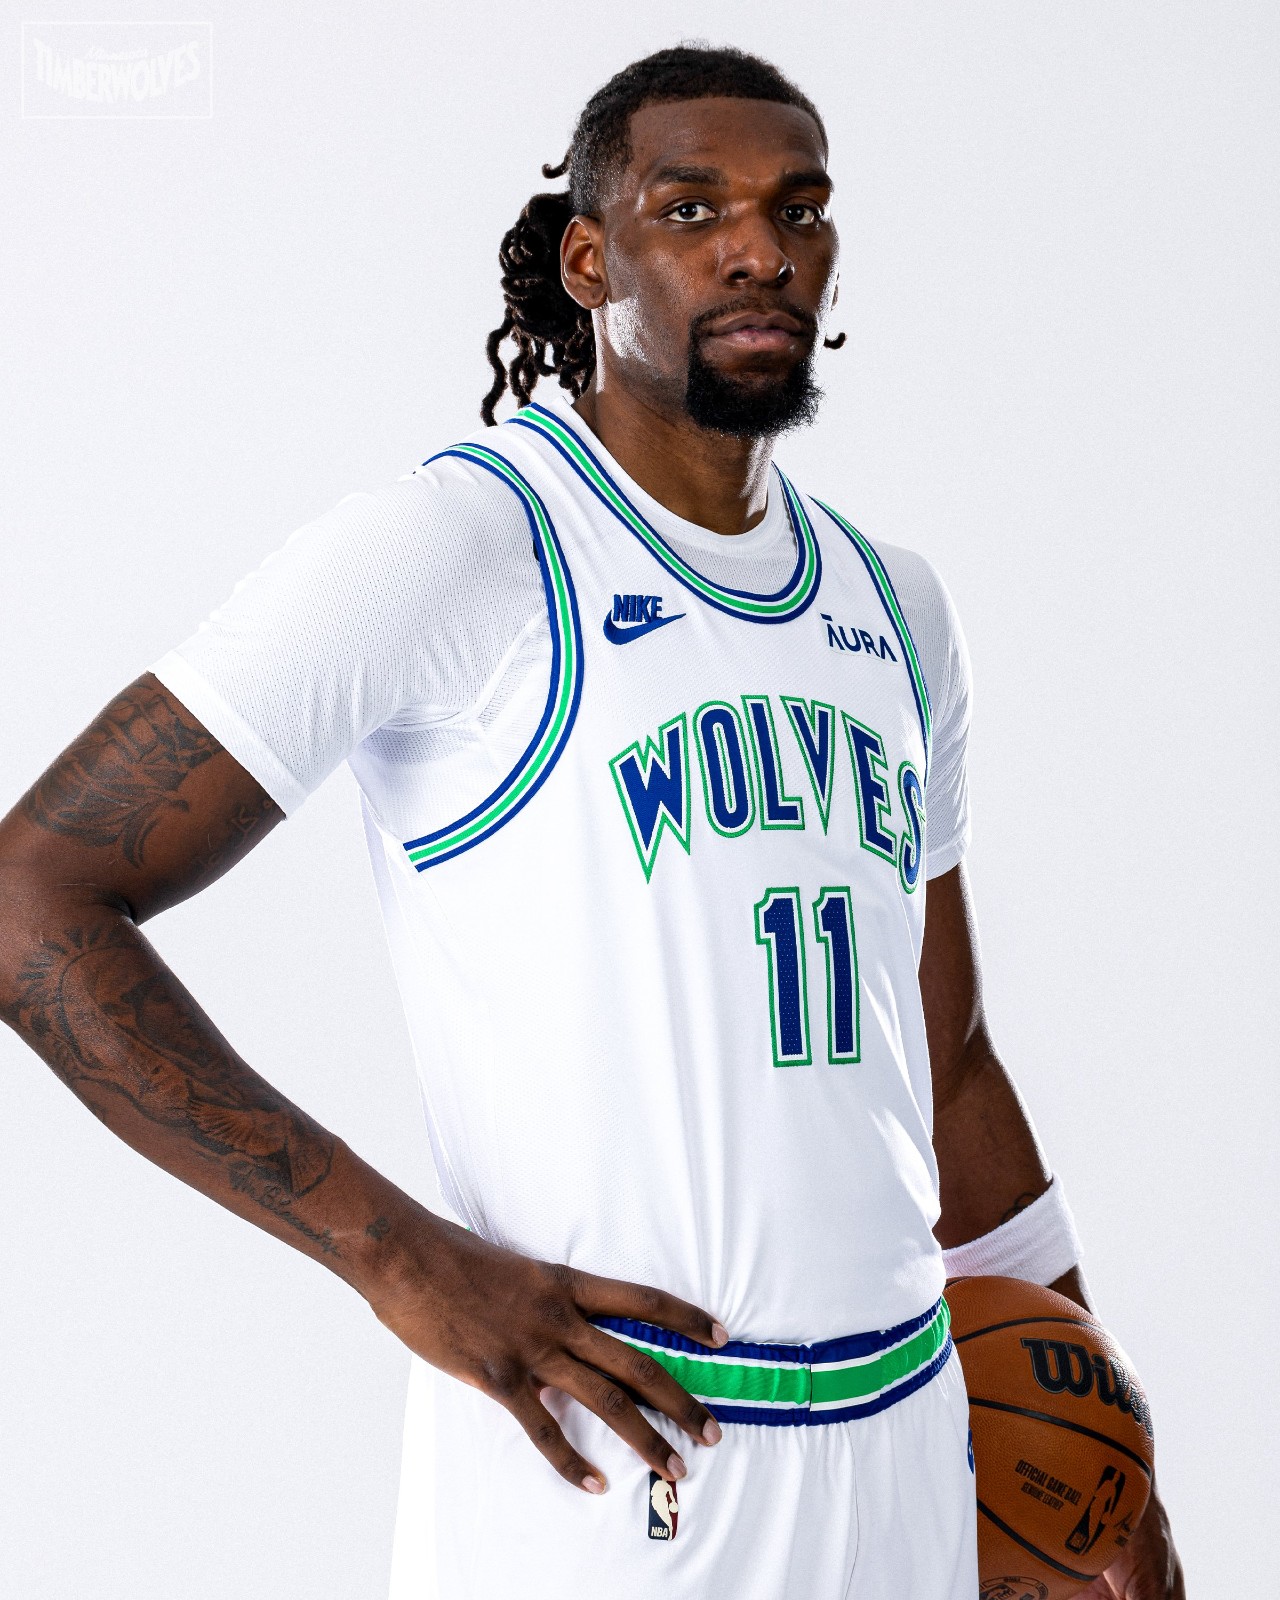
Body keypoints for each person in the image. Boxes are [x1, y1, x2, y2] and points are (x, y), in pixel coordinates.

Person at [0, 43, 1184, 1600]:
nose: (759, 249)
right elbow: (32, 894)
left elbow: (946, 1059)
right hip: (616, 1455)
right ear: (589, 259)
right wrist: (396, 1256)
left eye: (799, 208)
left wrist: (1107, 1455)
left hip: (909, 1439)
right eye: (693, 209)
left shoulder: (899, 607)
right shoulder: (464, 546)